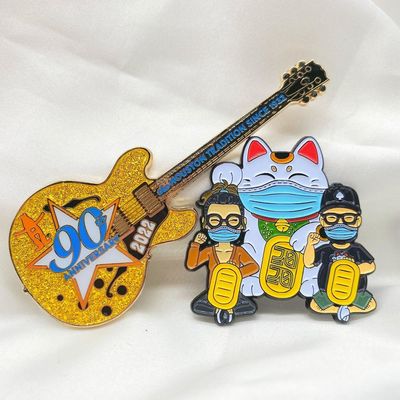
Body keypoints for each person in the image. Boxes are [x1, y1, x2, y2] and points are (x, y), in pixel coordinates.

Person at [186, 181, 259, 325]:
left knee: (246, 306)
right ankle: (218, 308)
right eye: (215, 220)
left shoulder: (238, 251)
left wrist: (235, 272)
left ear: (243, 223)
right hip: (213, 293)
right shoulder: (209, 251)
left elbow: (254, 267)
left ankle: (230, 308)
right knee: (199, 306)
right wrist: (196, 245)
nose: (224, 225)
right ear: (205, 223)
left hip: (233, 292)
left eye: (233, 220)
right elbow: (192, 264)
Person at [304, 183, 376, 323]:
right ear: (322, 220)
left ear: (358, 220)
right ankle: (341, 310)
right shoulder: (325, 249)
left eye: (348, 218)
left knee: (371, 303)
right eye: (332, 218)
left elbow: (371, 265)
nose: (340, 223)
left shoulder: (357, 249)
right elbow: (308, 262)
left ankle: (346, 309)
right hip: (327, 293)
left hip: (355, 292)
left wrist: (355, 270)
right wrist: (310, 245)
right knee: (314, 304)